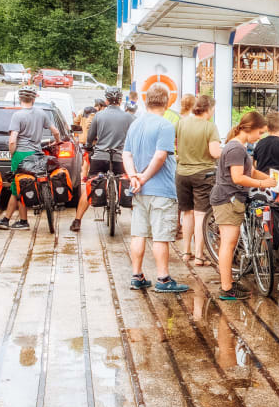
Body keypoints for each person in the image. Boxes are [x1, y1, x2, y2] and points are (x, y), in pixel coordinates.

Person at [123, 82, 189, 293]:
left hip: (139, 191)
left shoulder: (135, 124)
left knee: (138, 234)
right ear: (168, 102)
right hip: (160, 189)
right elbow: (161, 156)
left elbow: (126, 154)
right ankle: (163, 278)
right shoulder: (165, 125)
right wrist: (143, 177)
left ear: (145, 100)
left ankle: (137, 276)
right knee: (160, 236)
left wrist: (133, 176)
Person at [209, 111, 276, 300]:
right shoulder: (236, 148)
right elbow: (238, 177)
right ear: (250, 129)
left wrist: (271, 179)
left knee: (228, 244)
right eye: (260, 132)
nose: (260, 136)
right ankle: (226, 289)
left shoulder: (238, 146)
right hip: (228, 199)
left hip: (230, 199)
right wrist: (264, 185)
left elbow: (251, 171)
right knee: (228, 245)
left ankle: (228, 283)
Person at [0, 87, 61, 230]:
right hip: (36, 154)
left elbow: (12, 140)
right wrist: (56, 142)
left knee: (17, 187)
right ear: (33, 99)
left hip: (21, 154)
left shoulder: (18, 115)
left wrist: (12, 154)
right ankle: (18, 220)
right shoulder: (42, 114)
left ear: (20, 99)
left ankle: (12, 220)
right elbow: (56, 131)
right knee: (24, 186)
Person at [71, 87, 134, 232]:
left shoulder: (98, 116)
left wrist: (88, 146)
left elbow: (90, 137)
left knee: (90, 185)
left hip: (100, 157)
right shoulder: (129, 117)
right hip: (120, 159)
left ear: (106, 100)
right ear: (120, 101)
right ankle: (140, 220)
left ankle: (77, 221)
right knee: (128, 183)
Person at [175, 95, 220, 266]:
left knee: (187, 213)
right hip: (203, 174)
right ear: (208, 109)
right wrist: (232, 150)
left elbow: (173, 144)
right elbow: (215, 152)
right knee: (201, 215)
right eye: (213, 109)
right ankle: (199, 256)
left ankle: (186, 252)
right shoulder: (210, 127)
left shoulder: (181, 123)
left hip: (182, 173)